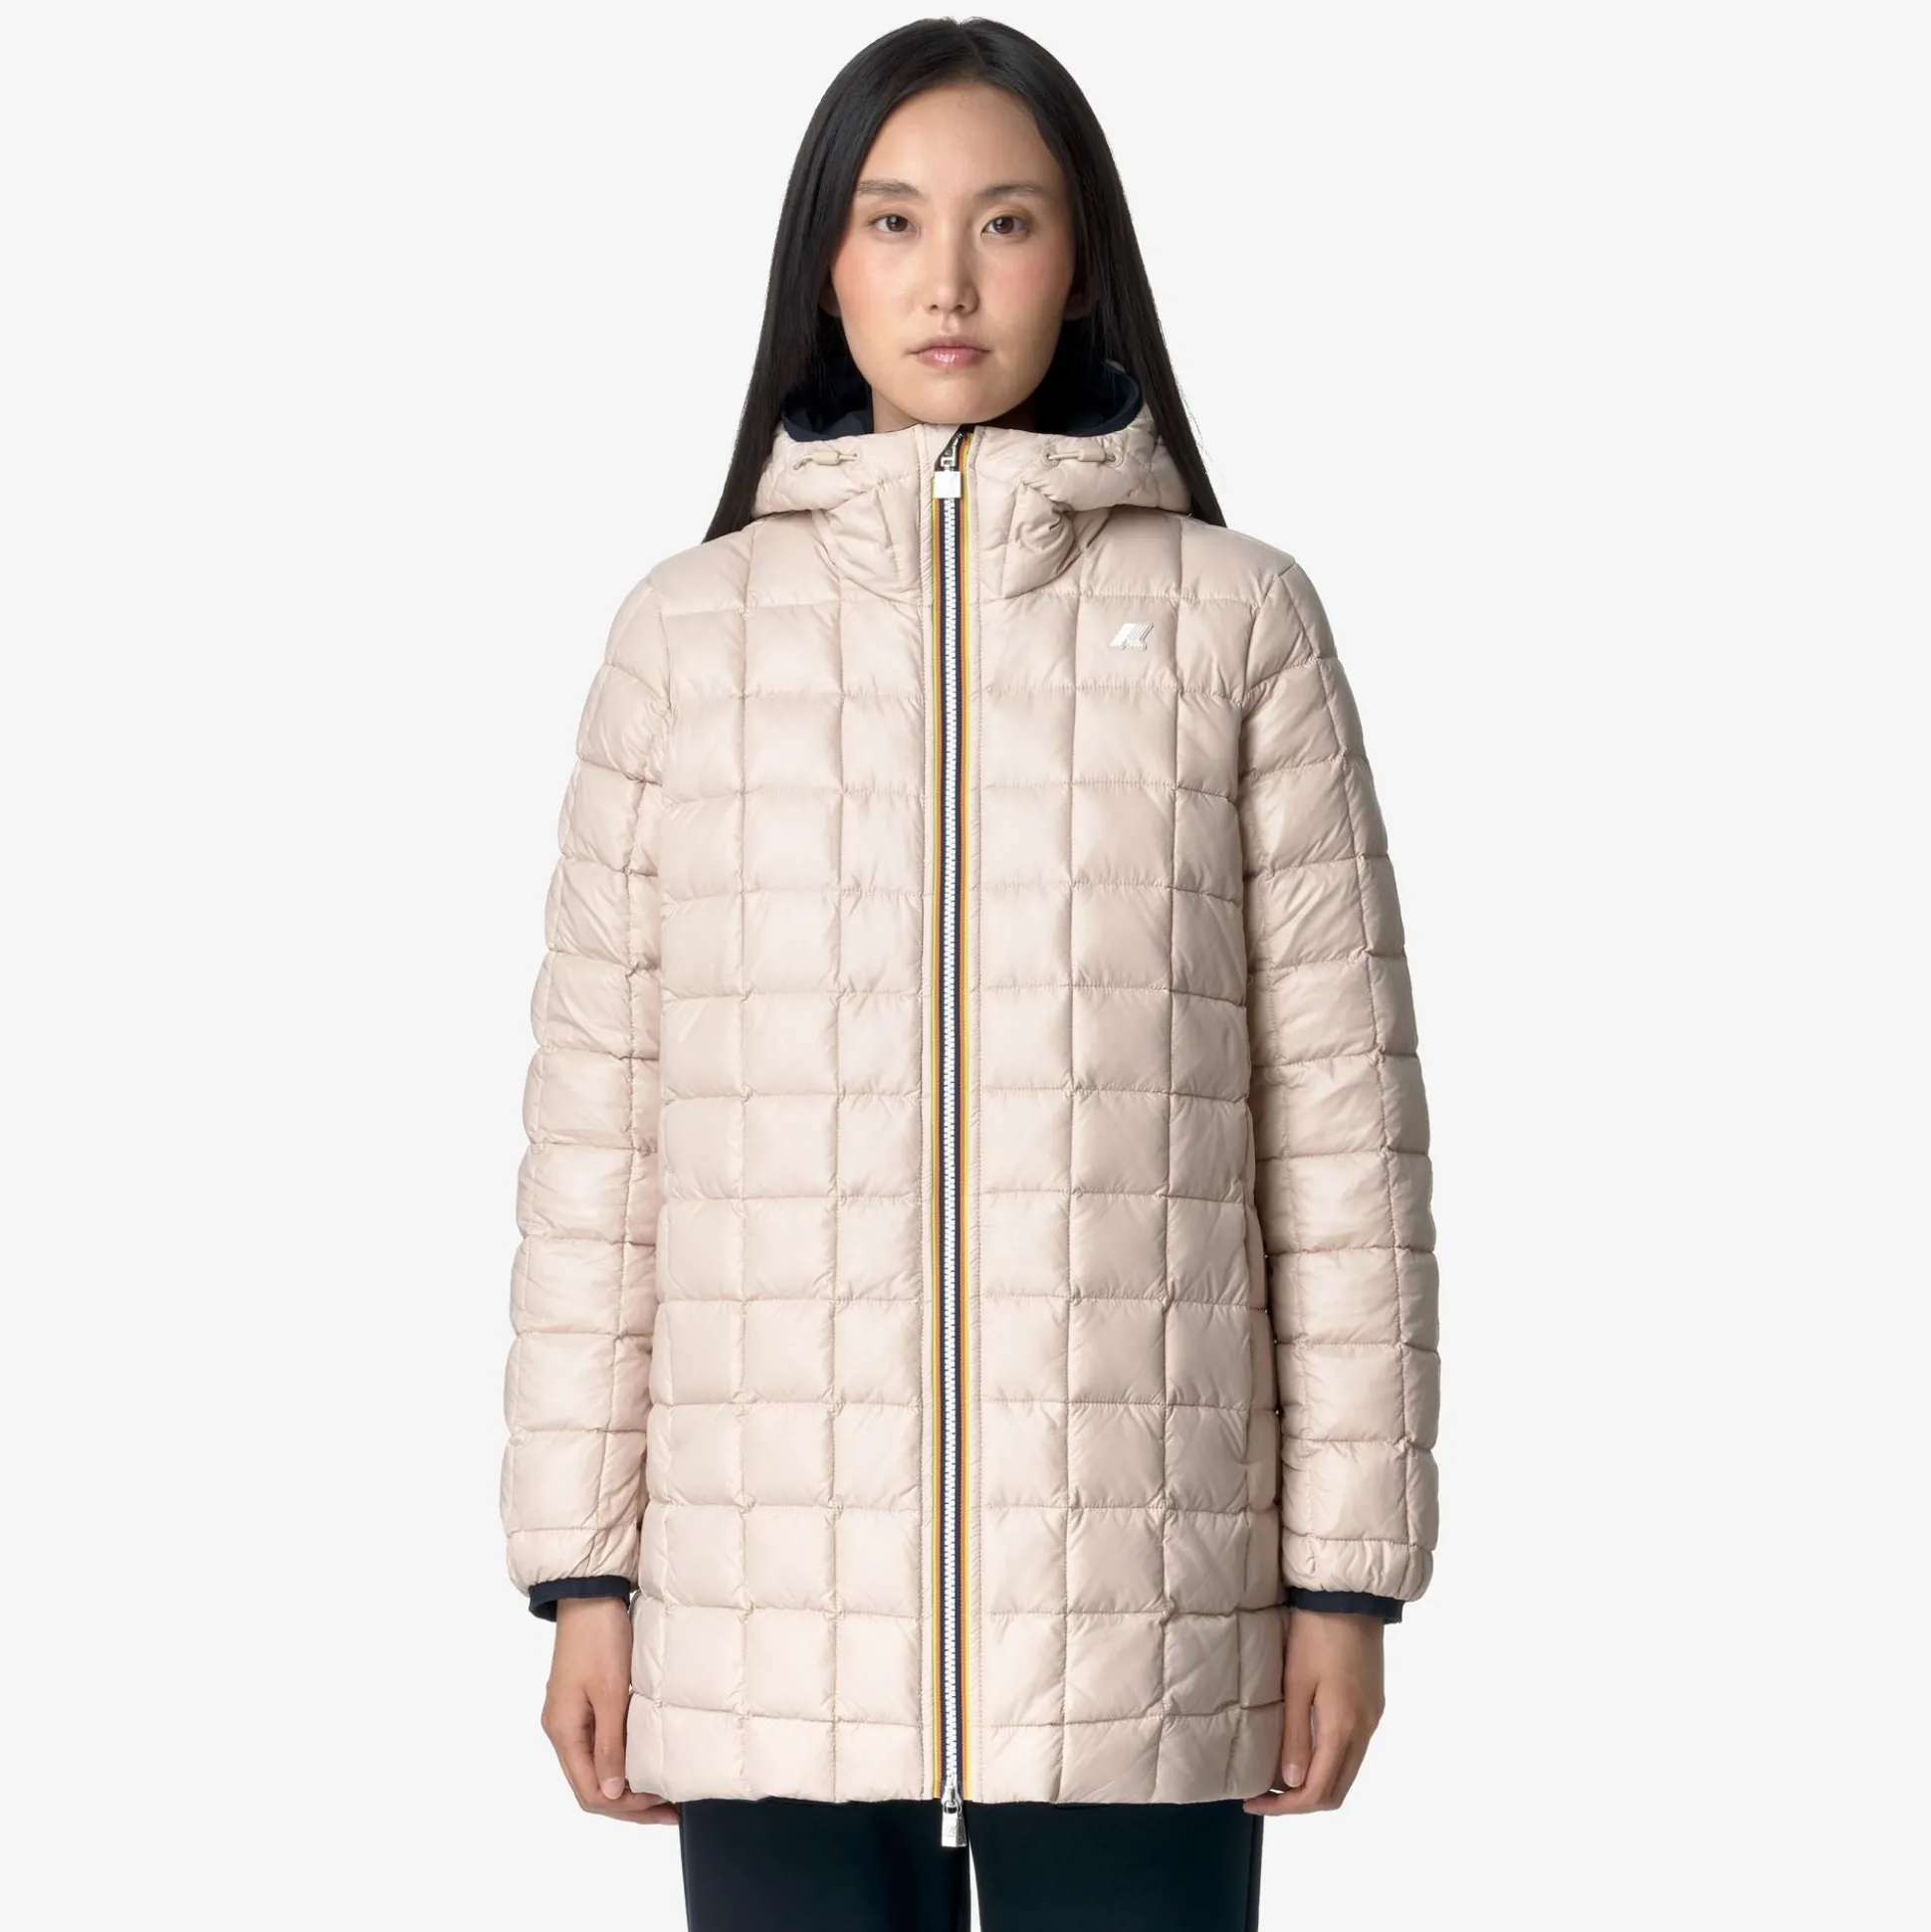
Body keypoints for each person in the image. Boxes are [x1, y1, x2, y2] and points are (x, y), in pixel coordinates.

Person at [498, 16, 1440, 1930]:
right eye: (893, 221)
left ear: (1078, 263)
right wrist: (585, 1575)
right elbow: (602, 1147)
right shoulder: (684, 641)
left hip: (1152, 1617)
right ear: (823, 270)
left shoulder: (1239, 623)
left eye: (1006, 222)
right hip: (762, 1620)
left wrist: (1345, 1583)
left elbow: (1341, 1141)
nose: (947, 280)